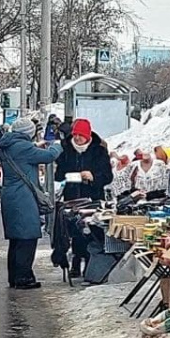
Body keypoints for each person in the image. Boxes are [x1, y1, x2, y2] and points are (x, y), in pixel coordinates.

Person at [0, 119, 61, 289]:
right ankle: (24, 278)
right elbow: (49, 156)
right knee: (27, 237)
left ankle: (14, 277)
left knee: (16, 240)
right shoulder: (23, 147)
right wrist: (56, 145)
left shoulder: (9, 144)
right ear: (29, 132)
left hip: (11, 196)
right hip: (23, 197)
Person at [54, 119, 113, 278]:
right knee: (74, 231)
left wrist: (93, 177)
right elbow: (58, 174)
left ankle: (89, 262)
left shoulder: (99, 150)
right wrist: (66, 175)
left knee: (90, 230)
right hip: (72, 196)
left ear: (88, 135)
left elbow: (108, 176)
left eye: (81, 135)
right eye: (75, 135)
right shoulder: (66, 149)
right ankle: (75, 260)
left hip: (92, 196)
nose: (78, 138)